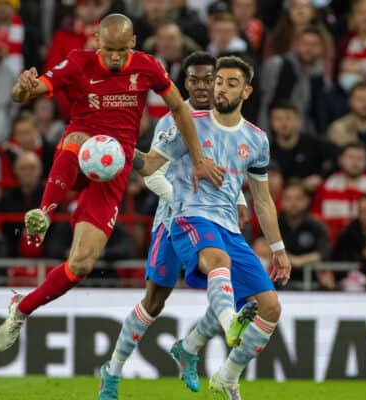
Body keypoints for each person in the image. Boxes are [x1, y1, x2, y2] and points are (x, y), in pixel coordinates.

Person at [0, 13, 224, 353]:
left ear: (132, 43)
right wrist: (21, 87)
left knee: (81, 265)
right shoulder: (79, 63)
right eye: (108, 49)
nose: (114, 57)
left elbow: (178, 108)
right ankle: (43, 211)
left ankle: (21, 309)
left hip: (114, 168)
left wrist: (199, 158)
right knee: (77, 138)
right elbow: (25, 94)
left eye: (120, 50)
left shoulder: (148, 67)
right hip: (79, 148)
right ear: (97, 42)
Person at [125, 56, 291, 399]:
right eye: (219, 81)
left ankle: (226, 373)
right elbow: (151, 164)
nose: (221, 88)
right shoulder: (190, 122)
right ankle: (230, 323)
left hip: (228, 225)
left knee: (271, 308)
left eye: (231, 83)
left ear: (246, 91)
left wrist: (278, 249)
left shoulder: (257, 139)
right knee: (218, 262)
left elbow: (262, 199)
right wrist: (121, 151)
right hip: (189, 215)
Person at [98, 51, 248, 399]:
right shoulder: (172, 120)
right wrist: (184, 201)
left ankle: (190, 347)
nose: (200, 86)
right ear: (185, 82)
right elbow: (152, 175)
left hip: (215, 218)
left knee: (225, 285)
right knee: (154, 301)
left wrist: (238, 200)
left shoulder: (224, 120)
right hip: (173, 220)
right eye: (193, 79)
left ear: (217, 81)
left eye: (207, 79)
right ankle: (113, 371)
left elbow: (230, 167)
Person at [268, 100, 337, 192]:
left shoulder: (315, 144)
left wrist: (320, 176)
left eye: (288, 118)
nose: (283, 123)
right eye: (278, 119)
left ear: (298, 121)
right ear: (271, 123)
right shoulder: (265, 149)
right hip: (279, 198)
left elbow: (337, 160)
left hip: (312, 195)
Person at [278, 182, 330, 290]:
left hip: (314, 283)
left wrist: (298, 261)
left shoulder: (317, 226)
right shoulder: (274, 225)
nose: (293, 203)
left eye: (298, 198)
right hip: (278, 282)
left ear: (307, 201)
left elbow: (324, 252)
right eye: (288, 199)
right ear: (282, 202)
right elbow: (262, 246)